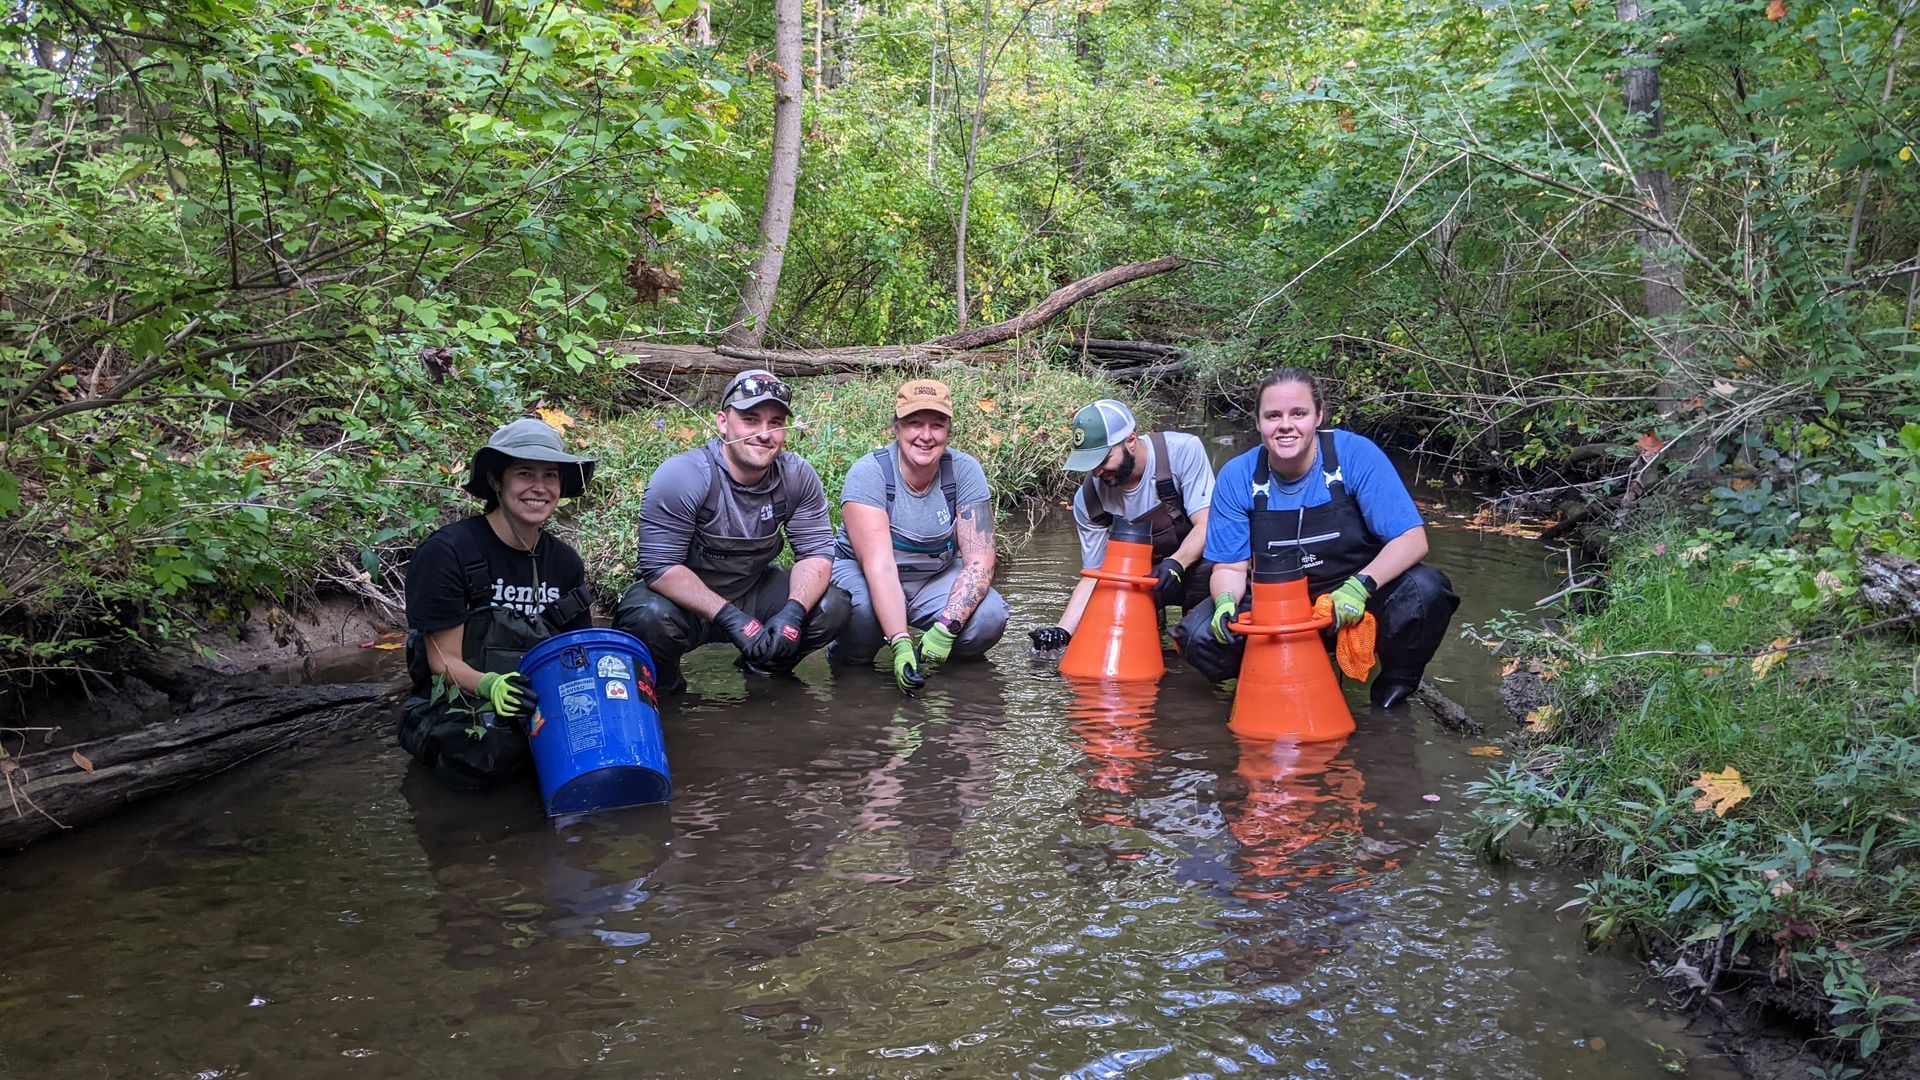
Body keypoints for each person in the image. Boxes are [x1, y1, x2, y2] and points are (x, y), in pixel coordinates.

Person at [1173, 368, 1459, 709]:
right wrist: (1224, 603)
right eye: (1273, 416)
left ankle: (1394, 689)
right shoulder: (1236, 476)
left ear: (1319, 415)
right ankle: (1263, 682)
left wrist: (1360, 586)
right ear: (1257, 421)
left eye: (1299, 413)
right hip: (1274, 602)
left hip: (1354, 596)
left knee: (1426, 591)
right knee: (1197, 637)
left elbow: (1412, 539)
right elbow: (1231, 567)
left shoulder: (1355, 455)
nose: (1285, 425)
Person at [614, 369, 850, 694]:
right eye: (751, 420)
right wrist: (730, 618)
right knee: (647, 617)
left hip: (752, 591)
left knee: (831, 605)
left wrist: (793, 612)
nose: (764, 433)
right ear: (724, 423)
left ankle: (765, 670)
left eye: (775, 422)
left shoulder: (797, 476)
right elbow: (659, 568)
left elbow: (816, 554)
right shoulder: (684, 475)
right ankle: (665, 693)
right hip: (681, 603)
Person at [400, 417, 597, 789]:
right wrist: (491, 685)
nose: (539, 488)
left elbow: (576, 655)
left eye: (551, 476)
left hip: (537, 700)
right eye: (525, 474)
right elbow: (442, 662)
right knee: (490, 749)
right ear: (495, 480)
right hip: (455, 703)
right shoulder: (448, 552)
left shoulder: (565, 562)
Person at [828, 378, 1008, 695]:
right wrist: (900, 642)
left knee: (989, 616)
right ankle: (850, 669)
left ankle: (944, 674)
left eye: (937, 425)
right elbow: (880, 568)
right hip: (866, 573)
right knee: (865, 615)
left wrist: (947, 627)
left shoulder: (965, 471)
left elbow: (980, 560)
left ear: (948, 432)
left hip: (931, 577)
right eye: (914, 424)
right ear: (896, 429)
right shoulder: (869, 473)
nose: (926, 436)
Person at [1027, 398, 1215, 652]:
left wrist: (1176, 563)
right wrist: (1063, 631)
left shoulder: (1182, 452)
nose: (1097, 472)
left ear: (1130, 440)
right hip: (1138, 580)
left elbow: (1206, 524)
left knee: (1217, 577)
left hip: (1196, 566)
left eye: (1103, 460)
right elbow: (1095, 575)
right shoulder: (1088, 500)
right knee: (1107, 632)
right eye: (1090, 464)